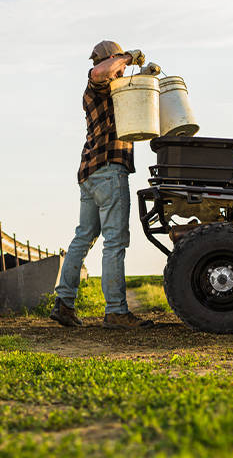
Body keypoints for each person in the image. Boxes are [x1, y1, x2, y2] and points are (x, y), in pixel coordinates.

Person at [51, 40, 154, 329]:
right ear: (111, 60)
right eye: (116, 63)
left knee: (83, 237)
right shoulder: (98, 83)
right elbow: (99, 72)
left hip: (90, 173)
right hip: (109, 170)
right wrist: (129, 57)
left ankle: (64, 303)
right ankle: (117, 311)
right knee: (115, 241)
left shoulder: (113, 91)